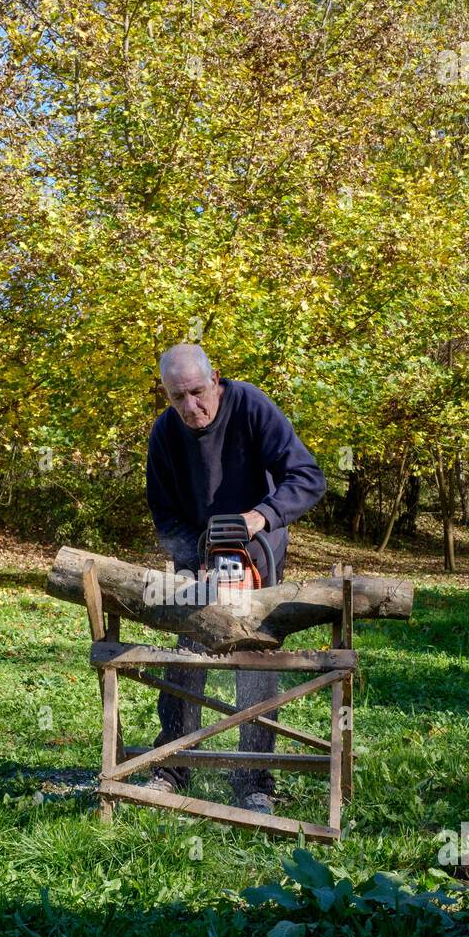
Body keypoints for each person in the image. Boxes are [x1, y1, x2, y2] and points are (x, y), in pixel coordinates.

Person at [145, 342, 326, 813]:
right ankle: (171, 765)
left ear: (216, 379)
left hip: (258, 552)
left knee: (254, 660)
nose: (190, 407)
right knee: (187, 656)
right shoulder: (165, 434)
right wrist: (194, 556)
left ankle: (254, 780)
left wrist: (261, 517)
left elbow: (307, 477)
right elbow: (164, 513)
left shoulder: (251, 406)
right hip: (199, 556)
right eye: (177, 397)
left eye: (197, 393)